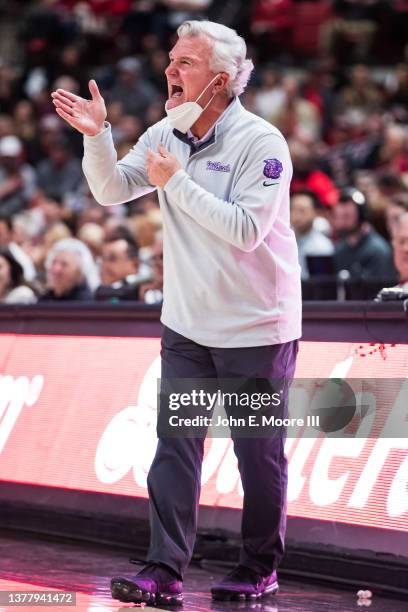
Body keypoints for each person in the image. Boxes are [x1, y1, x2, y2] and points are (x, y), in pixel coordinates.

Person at [51, 19, 301, 605]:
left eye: (184, 63)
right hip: (188, 326)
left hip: (256, 329)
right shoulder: (167, 132)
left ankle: (259, 567)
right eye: (170, 59)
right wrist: (97, 135)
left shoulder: (263, 143)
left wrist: (179, 182)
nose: (169, 70)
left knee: (257, 456)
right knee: (175, 449)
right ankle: (163, 570)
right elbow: (112, 190)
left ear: (220, 81)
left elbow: (244, 231)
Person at [331, 187, 396, 280]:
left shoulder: (378, 250)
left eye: (346, 216)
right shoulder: (339, 249)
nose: (342, 222)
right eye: (338, 216)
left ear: (362, 215)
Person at [290, 190, 334, 279]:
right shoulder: (282, 240)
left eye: (302, 210)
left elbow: (321, 284)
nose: (296, 215)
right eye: (292, 209)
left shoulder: (322, 246)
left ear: (315, 212)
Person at [95, 231, 142, 301]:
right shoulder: (95, 296)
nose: (105, 265)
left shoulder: (147, 296)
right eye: (103, 259)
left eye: (112, 259)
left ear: (135, 265)